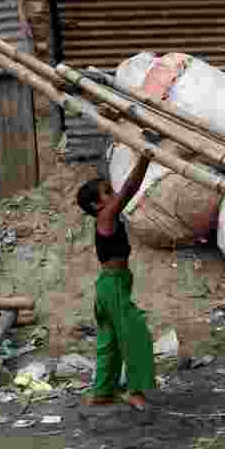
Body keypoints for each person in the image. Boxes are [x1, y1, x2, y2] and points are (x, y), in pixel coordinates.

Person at [75, 150, 156, 411]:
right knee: (136, 335)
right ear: (97, 206)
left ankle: (103, 392)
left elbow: (124, 193)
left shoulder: (106, 218)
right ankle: (134, 390)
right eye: (107, 192)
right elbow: (130, 189)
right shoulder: (105, 217)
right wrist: (145, 159)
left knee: (109, 339)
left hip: (112, 284)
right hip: (112, 286)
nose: (114, 195)